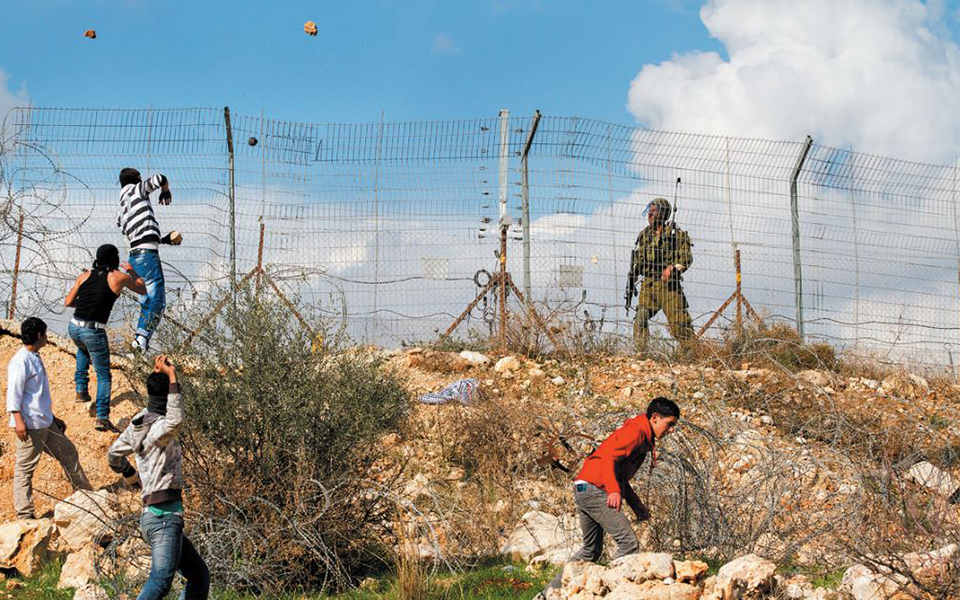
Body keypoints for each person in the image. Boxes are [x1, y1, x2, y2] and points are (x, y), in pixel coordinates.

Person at [541, 397, 680, 594]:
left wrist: (636, 505)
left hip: (585, 488)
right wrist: (613, 490)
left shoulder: (642, 435)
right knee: (628, 543)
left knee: (590, 550)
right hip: (594, 488)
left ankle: (549, 594)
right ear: (655, 418)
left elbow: (620, 475)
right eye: (670, 424)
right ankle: (615, 594)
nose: (672, 430)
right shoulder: (636, 432)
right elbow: (608, 457)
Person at [108, 355, 209, 600]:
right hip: (164, 518)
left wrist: (131, 476)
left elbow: (113, 455)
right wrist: (172, 377)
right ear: (169, 398)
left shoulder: (138, 424)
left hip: (156, 516)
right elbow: (175, 420)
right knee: (161, 582)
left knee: (198, 575)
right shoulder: (158, 430)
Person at [7, 317, 92, 520]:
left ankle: (87, 498)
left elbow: (35, 394)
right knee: (25, 469)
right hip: (30, 425)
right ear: (39, 335)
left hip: (45, 422)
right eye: (45, 334)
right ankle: (25, 516)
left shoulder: (35, 356)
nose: (46, 338)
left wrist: (53, 417)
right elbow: (14, 393)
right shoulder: (21, 360)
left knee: (69, 453)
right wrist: (18, 420)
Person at [65, 243, 147, 432]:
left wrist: (88, 300)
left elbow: (68, 302)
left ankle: (81, 391)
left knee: (82, 348)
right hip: (93, 330)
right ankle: (102, 416)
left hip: (74, 326)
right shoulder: (119, 277)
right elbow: (141, 289)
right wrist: (132, 271)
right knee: (104, 376)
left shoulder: (85, 276)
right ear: (114, 259)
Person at [116, 167, 180, 353]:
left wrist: (164, 240)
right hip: (147, 257)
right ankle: (141, 341)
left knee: (146, 301)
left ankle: (140, 340)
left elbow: (137, 234)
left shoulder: (122, 207)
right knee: (156, 301)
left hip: (135, 257)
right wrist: (165, 190)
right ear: (137, 179)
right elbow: (161, 177)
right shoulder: (136, 190)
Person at [625, 197, 694, 351]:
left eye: (654, 211)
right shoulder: (644, 235)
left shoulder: (676, 234)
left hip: (669, 286)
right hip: (649, 285)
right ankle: (641, 353)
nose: (650, 214)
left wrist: (673, 268)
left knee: (679, 323)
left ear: (663, 214)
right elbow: (640, 259)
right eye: (649, 210)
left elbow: (686, 258)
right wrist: (634, 274)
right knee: (640, 317)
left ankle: (691, 354)